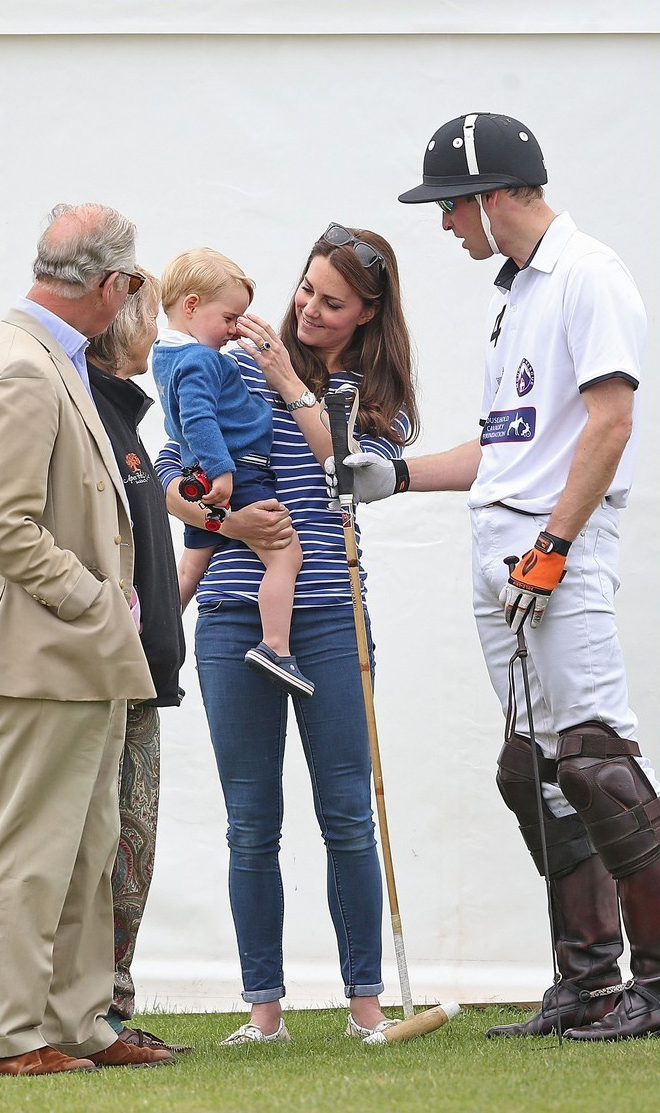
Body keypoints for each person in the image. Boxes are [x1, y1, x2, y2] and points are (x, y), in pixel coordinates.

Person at [335, 112, 660, 1040]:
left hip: (554, 548)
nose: (444, 226)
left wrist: (554, 543)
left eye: (448, 207)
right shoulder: (512, 293)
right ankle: (587, 984)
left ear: (486, 195)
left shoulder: (586, 275)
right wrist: (396, 474)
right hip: (502, 550)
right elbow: (506, 447)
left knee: (599, 760)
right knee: (537, 769)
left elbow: (608, 423)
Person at [154, 223, 419, 1044]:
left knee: (345, 812)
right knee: (249, 819)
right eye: (305, 289)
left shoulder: (377, 400)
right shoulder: (226, 358)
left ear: (368, 315)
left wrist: (294, 387)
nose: (306, 309)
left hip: (333, 614)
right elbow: (167, 472)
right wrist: (225, 518)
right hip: (236, 614)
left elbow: (349, 475)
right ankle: (262, 1011)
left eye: (331, 302)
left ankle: (364, 1006)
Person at [0, 203, 175, 1074]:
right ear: (113, 286)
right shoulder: (23, 366)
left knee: (85, 847)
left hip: (77, 653)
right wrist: (91, 597)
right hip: (49, 652)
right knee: (32, 849)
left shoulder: (48, 358)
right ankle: (2, 1036)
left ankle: (76, 1021)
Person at [85, 268, 190, 1056]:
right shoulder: (89, 408)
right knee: (106, 848)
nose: (157, 334)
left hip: (141, 677)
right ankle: (93, 1012)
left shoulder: (124, 417)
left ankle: (109, 1007)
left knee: (133, 844)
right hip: (104, 676)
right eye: (149, 318)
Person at [152, 247, 312, 698]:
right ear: (190, 306)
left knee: (190, 569)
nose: (233, 330)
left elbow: (185, 420)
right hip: (238, 473)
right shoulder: (202, 359)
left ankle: (149, 646)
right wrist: (222, 473)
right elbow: (199, 418)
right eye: (229, 317)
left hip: (201, 470)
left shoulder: (164, 357)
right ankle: (276, 646)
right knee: (286, 556)